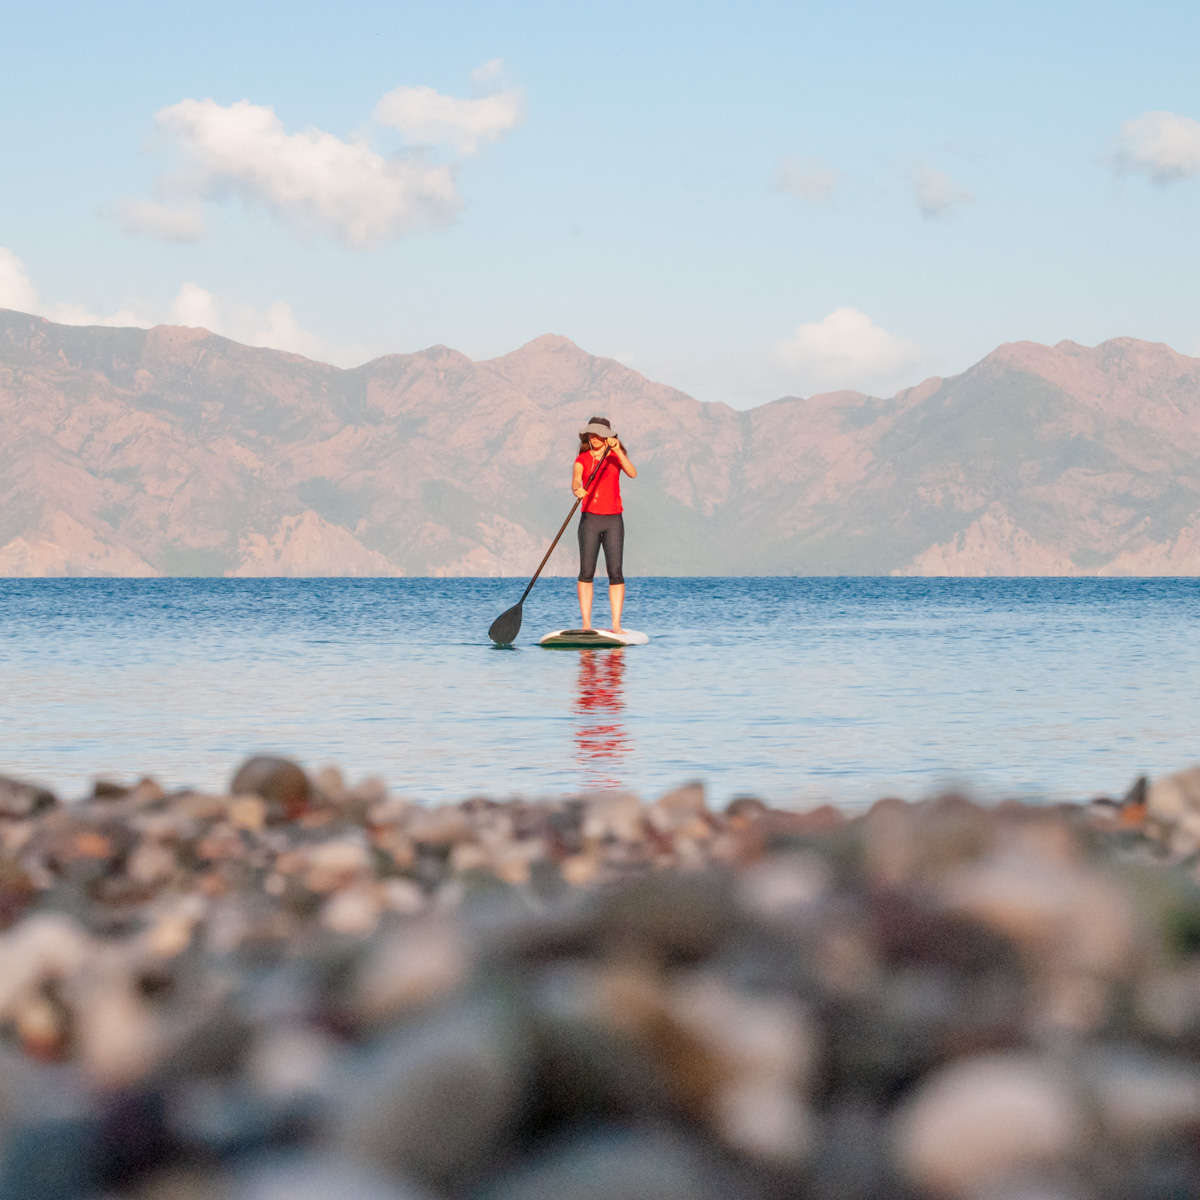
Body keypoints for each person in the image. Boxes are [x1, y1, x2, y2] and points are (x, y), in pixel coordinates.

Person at [573, 417, 636, 633]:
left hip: (613, 520)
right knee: (586, 571)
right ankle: (586, 625)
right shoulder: (582, 458)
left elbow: (632, 472)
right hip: (590, 519)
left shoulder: (615, 457)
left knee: (615, 572)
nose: (595, 437)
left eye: (600, 433)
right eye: (592, 433)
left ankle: (616, 625)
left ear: (609, 437)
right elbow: (576, 478)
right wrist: (576, 489)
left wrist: (618, 451)